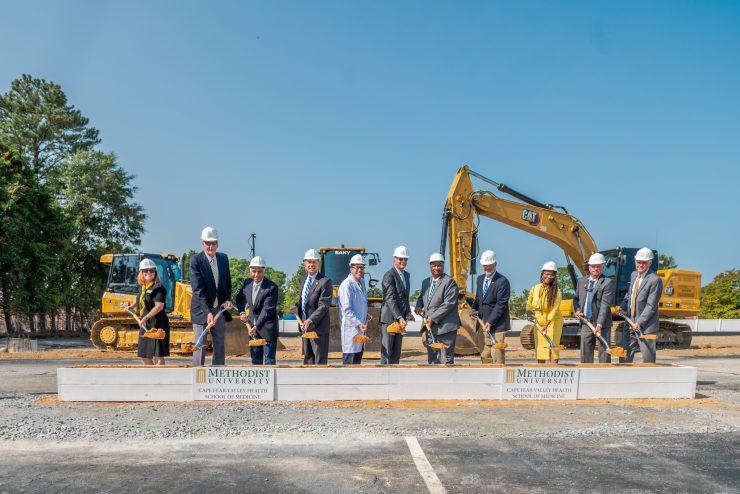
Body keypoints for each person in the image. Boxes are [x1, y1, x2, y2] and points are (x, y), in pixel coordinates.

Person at [190, 226, 232, 367]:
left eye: (214, 243)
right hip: (201, 310)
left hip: (218, 309)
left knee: (219, 342)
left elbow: (227, 284)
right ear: (203, 243)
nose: (211, 246)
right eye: (208, 243)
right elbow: (198, 289)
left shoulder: (223, 259)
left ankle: (218, 372)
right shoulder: (196, 260)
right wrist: (208, 311)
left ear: (217, 243)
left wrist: (226, 300)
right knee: (200, 343)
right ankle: (197, 375)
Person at [415, 253, 460, 365]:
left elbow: (448, 304)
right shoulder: (426, 282)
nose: (436, 268)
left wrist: (432, 318)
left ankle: (447, 383)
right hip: (431, 328)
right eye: (433, 265)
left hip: (446, 328)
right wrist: (418, 305)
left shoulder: (449, 282)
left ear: (443, 266)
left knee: (446, 360)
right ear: (430, 266)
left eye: (439, 265)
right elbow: (422, 296)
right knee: (433, 360)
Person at [619, 247, 662, 364]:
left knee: (647, 356)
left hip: (646, 325)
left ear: (650, 262)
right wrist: (623, 306)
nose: (640, 265)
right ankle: (624, 376)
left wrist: (640, 322)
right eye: (638, 262)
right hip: (630, 321)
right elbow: (630, 295)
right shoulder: (634, 275)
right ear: (635, 261)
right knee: (624, 352)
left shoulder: (655, 280)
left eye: (644, 263)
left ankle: (649, 379)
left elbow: (651, 305)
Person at [291, 249, 332, 365]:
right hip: (305, 326)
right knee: (308, 360)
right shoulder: (302, 279)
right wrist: (296, 307)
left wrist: (310, 320)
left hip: (318, 327)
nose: (311, 265)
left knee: (319, 362)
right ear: (304, 264)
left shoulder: (325, 282)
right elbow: (304, 300)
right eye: (309, 262)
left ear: (318, 264)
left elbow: (324, 306)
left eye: (314, 262)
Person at [236, 256, 279, 365]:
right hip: (252, 329)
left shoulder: (271, 287)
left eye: (260, 271)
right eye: (253, 271)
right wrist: (241, 312)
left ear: (264, 271)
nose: (256, 274)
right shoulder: (247, 283)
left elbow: (267, 310)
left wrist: (256, 326)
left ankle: (269, 382)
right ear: (250, 270)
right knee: (255, 360)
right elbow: (239, 298)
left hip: (267, 329)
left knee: (269, 360)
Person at [574, 252, 615, 363]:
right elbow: (576, 299)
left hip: (602, 323)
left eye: (599, 266)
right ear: (589, 267)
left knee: (604, 351)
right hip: (586, 322)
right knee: (585, 352)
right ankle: (586, 375)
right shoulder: (581, 281)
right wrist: (577, 310)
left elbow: (605, 305)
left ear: (603, 267)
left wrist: (599, 324)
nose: (596, 269)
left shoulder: (607, 282)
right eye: (593, 266)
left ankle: (604, 375)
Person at [471, 250, 511, 364]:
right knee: (485, 353)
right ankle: (487, 378)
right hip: (483, 324)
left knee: (497, 354)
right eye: (485, 265)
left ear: (495, 264)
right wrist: (474, 308)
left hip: (497, 325)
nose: (487, 268)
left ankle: (499, 379)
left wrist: (491, 321)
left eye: (489, 265)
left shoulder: (502, 281)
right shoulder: (479, 279)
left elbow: (501, 304)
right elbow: (478, 298)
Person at [380, 245, 413, 365]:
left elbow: (404, 298)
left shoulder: (406, 275)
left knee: (396, 353)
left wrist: (408, 313)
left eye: (405, 259)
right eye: (400, 259)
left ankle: (394, 379)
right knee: (387, 352)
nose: (403, 261)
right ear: (394, 259)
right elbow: (390, 299)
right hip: (389, 319)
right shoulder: (389, 276)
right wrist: (399, 317)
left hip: (400, 320)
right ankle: (383, 379)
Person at [134, 258, 170, 365]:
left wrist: (145, 318)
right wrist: (131, 306)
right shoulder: (143, 287)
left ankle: (160, 379)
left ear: (155, 272)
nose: (148, 272)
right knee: (144, 355)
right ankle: (151, 378)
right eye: (145, 270)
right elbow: (141, 300)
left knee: (158, 356)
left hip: (158, 324)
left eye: (151, 270)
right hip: (146, 324)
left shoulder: (159, 288)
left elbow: (159, 306)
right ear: (141, 273)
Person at [527, 261, 563, 364]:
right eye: (546, 274)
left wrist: (546, 325)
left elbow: (553, 311)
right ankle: (541, 371)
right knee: (540, 348)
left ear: (554, 277)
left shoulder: (557, 292)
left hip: (553, 323)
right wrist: (529, 312)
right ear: (542, 274)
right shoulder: (535, 288)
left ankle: (554, 371)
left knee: (553, 347)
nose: (548, 276)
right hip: (539, 322)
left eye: (551, 274)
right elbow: (529, 302)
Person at [338, 254, 369, 365]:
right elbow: (347, 310)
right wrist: (358, 323)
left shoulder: (363, 282)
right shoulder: (346, 285)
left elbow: (361, 303)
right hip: (350, 330)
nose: (359, 270)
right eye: (357, 267)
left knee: (357, 362)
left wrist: (366, 314)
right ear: (351, 268)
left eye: (362, 267)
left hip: (361, 329)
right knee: (349, 363)